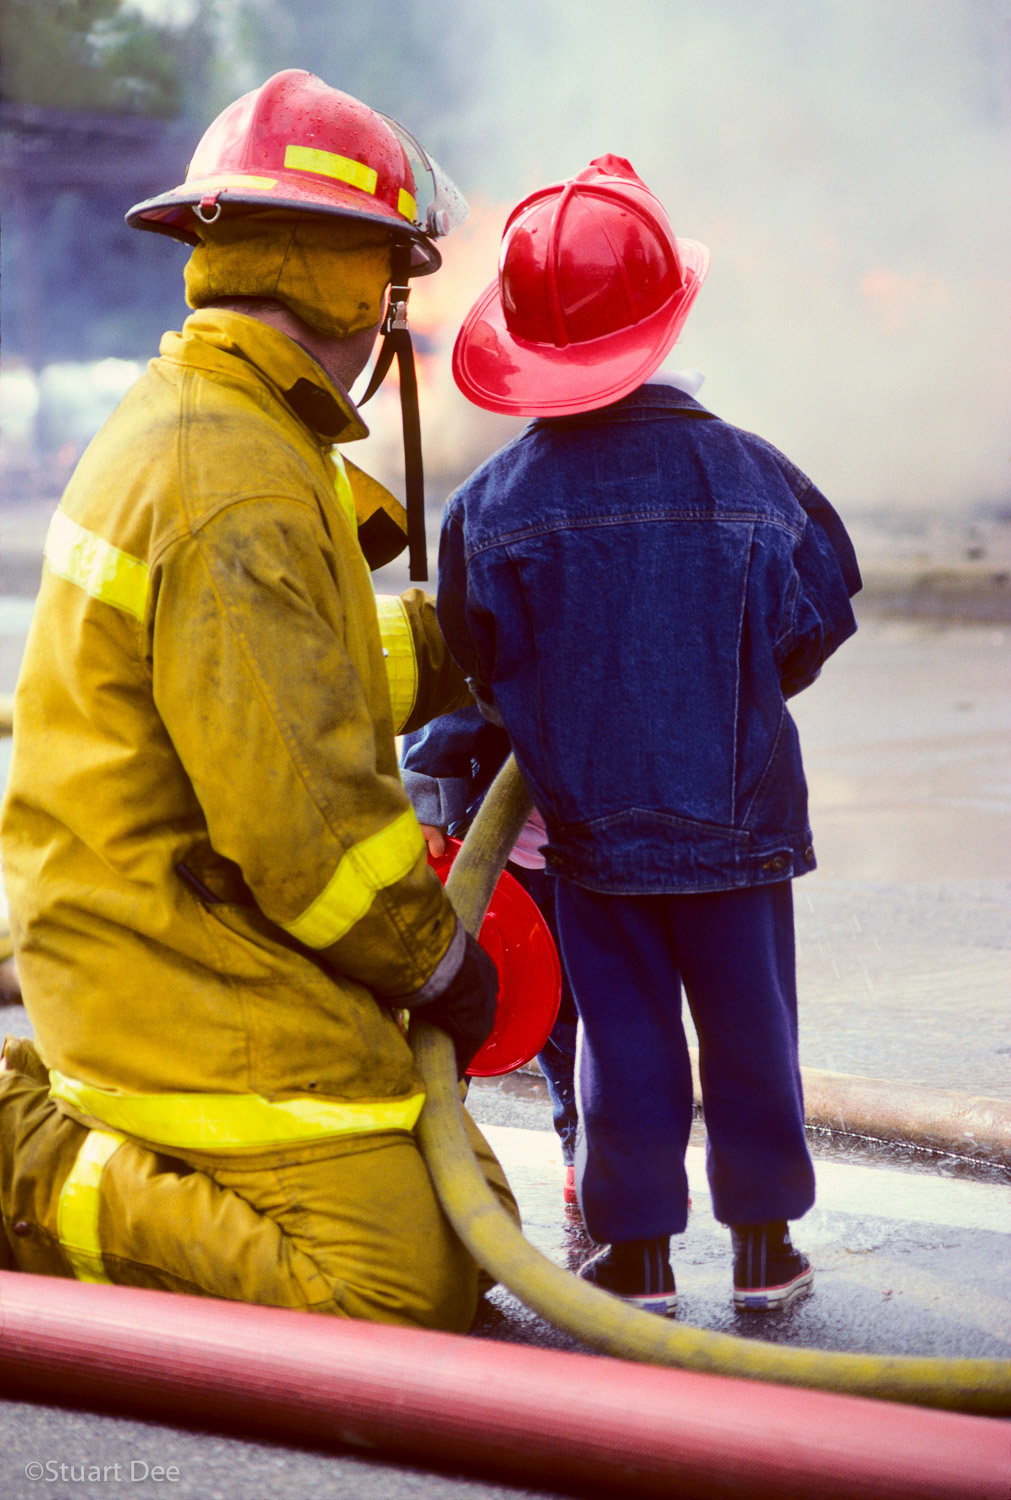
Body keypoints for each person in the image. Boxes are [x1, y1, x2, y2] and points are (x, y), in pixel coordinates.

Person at [0, 70, 518, 1331]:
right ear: (357, 280)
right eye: (395, 278)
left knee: (475, 1210)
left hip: (175, 916)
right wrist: (441, 959)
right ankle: (38, 1166)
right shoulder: (234, 480)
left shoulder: (228, 423)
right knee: (410, 1283)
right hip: (167, 956)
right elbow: (312, 829)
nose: (400, 313)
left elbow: (282, 690)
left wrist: (471, 648)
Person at [437, 156, 861, 1315]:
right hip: (740, 819)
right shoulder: (759, 476)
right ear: (664, 322)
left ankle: (636, 1257)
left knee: (620, 1042)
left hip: (590, 833)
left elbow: (476, 653)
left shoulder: (491, 506)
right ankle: (767, 1248)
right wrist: (722, 693)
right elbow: (818, 618)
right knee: (751, 1028)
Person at [401, 706, 580, 1197]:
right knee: (465, 1001)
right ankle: (433, 1159)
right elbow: (458, 676)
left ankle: (588, 1151)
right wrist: (426, 797)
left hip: (595, 837)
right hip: (497, 839)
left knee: (574, 1012)